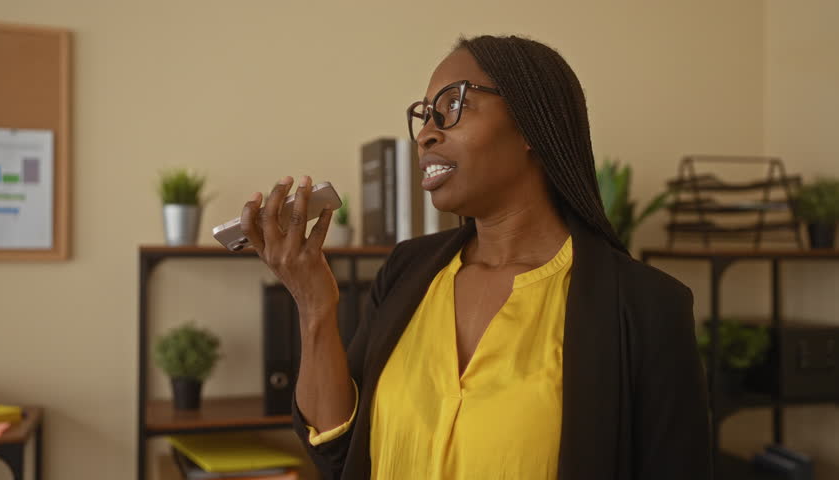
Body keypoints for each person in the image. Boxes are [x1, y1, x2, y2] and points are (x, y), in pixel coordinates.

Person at [240, 34, 710, 480]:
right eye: (425, 115)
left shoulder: (644, 307)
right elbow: (337, 452)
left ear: (532, 124)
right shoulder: (406, 273)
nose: (426, 134)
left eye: (453, 105)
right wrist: (313, 305)